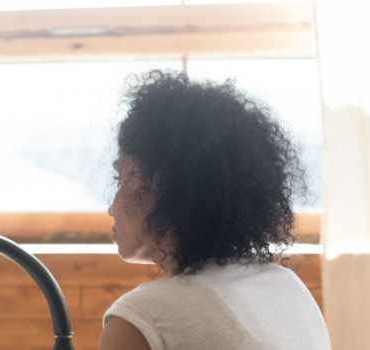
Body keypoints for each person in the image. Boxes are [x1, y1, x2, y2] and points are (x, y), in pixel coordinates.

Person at [99, 70, 331, 350]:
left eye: (123, 179)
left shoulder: (142, 318)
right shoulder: (289, 290)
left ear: (164, 188)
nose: (112, 206)